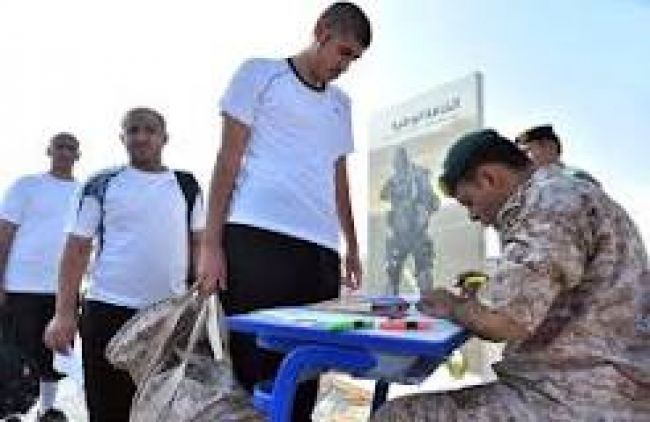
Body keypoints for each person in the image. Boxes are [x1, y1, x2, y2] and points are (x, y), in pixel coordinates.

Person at [373, 129, 650, 421]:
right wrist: (481, 298)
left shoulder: (550, 201)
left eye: (469, 201)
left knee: (397, 416)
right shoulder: (566, 192)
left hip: (581, 397)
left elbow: (504, 321)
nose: (473, 216)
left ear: (488, 178)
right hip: (595, 386)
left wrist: (452, 306)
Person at [197, 2, 371, 420]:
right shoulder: (259, 74)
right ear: (321, 31)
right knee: (252, 374)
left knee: (304, 377)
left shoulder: (341, 104)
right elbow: (226, 161)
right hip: (257, 239)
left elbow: (339, 179)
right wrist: (210, 244)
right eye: (344, 52)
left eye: (355, 59)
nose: (345, 66)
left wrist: (351, 245)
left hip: (320, 252)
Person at [44, 107, 205, 422]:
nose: (141, 137)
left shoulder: (187, 185)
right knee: (108, 411)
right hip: (108, 314)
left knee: (163, 411)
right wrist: (63, 314)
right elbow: (76, 250)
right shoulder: (100, 183)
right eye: (133, 130)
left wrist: (200, 301)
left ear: (165, 138)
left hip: (169, 317)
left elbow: (199, 244)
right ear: (122, 138)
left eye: (149, 130)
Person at [0, 132, 80, 422]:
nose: (64, 151)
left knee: (55, 354)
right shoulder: (26, 186)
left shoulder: (84, 192)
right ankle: (11, 412)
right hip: (20, 285)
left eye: (71, 147)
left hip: (63, 289)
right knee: (16, 353)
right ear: (49, 150)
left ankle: (47, 411)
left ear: (78, 155)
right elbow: (4, 233)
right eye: (59, 146)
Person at [381, 146, 439, 294]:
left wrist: (423, 209)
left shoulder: (419, 176)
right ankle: (391, 301)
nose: (397, 165)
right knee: (392, 272)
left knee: (424, 270)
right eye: (396, 162)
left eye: (399, 161)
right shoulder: (394, 180)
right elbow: (383, 195)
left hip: (417, 231)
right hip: (398, 233)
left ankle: (427, 300)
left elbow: (433, 202)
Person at [515, 124, 600, 186]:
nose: (524, 158)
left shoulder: (576, 177)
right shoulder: (528, 184)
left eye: (528, 150)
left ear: (548, 147)